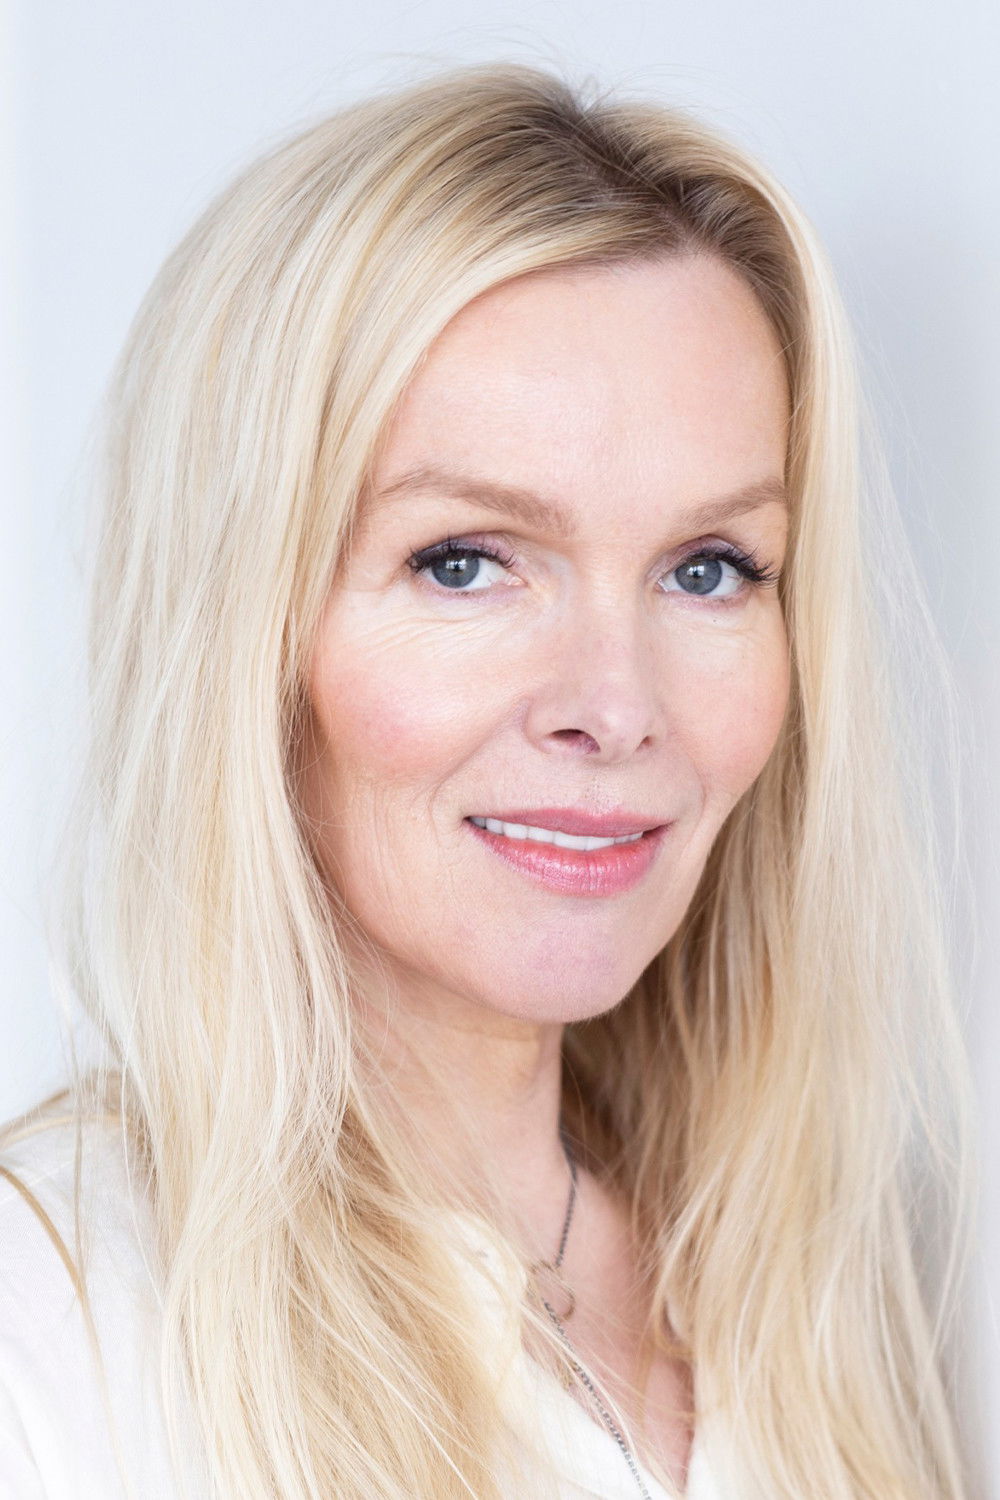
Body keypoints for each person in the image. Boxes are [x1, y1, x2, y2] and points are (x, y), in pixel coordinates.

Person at [0, 61, 975, 1500]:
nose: (616, 706)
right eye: (464, 562)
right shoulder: (54, 1332)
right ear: (249, 632)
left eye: (710, 570)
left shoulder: (831, 1285)